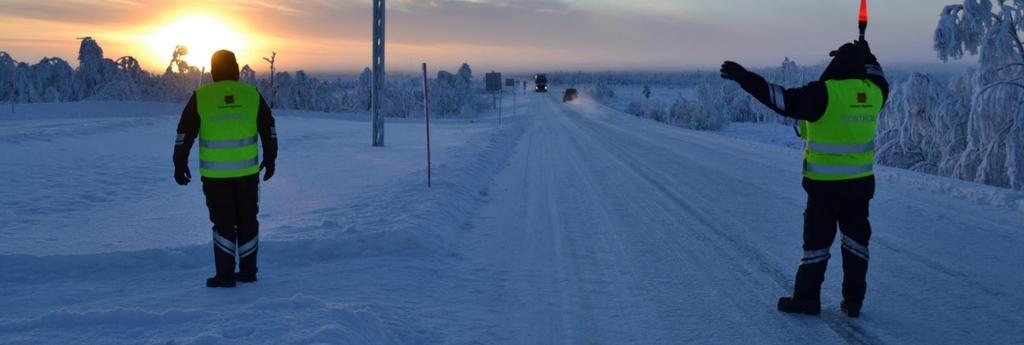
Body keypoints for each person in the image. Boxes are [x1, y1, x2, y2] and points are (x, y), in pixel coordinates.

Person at [720, 40, 888, 317]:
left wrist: (744, 78)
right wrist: (867, 53)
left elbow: (780, 99)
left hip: (824, 189)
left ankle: (807, 299)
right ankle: (854, 302)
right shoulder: (875, 93)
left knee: (816, 245)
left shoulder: (824, 93)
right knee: (857, 243)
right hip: (860, 186)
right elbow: (878, 76)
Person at [173, 50, 278, 288]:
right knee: (248, 221)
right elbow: (268, 129)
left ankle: (225, 275)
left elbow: (184, 133)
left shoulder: (202, 96)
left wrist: (179, 163)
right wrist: (271, 158)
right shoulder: (251, 95)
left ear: (212, 71)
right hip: (248, 175)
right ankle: (249, 272)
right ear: (236, 69)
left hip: (215, 176)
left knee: (223, 223)